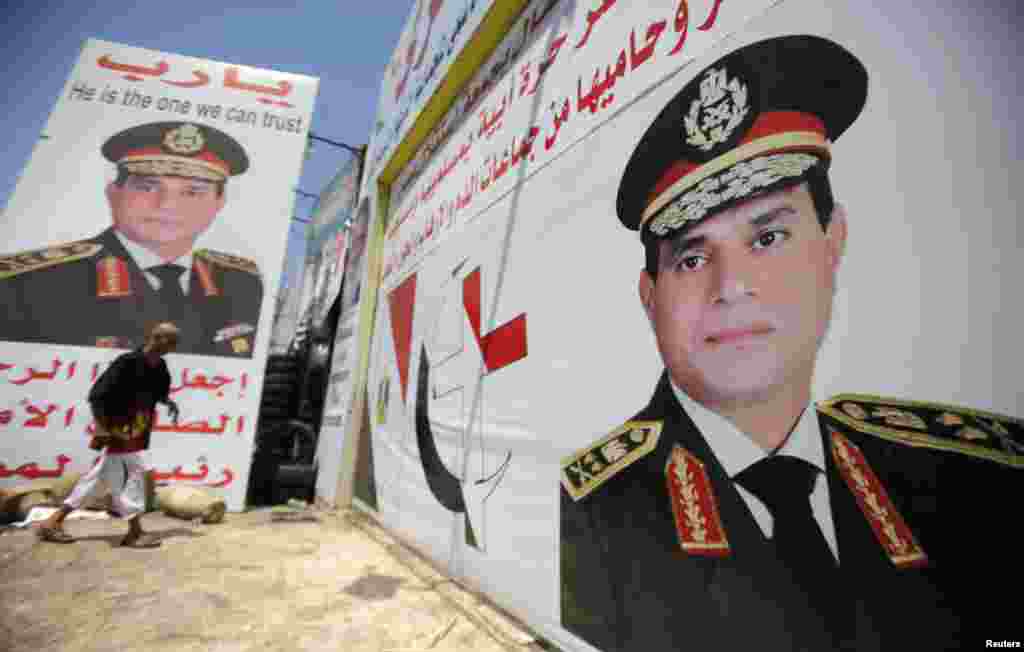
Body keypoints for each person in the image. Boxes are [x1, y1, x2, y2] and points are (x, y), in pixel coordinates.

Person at [559, 35, 1022, 651]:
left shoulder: (974, 480)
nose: (733, 288)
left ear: (834, 243)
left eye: (768, 237)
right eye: (693, 257)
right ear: (651, 297)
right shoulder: (587, 517)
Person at [0, 121, 263, 358]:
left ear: (219, 203)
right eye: (147, 187)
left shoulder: (241, 284)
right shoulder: (30, 282)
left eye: (193, 192)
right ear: (114, 193)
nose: (167, 205)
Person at [36, 322, 181, 547]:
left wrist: (168, 402)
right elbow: (97, 395)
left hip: (136, 431)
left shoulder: (160, 367)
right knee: (130, 475)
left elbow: (158, 393)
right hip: (117, 430)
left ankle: (53, 522)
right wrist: (103, 428)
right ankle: (134, 532)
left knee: (104, 477)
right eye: (171, 341)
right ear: (157, 337)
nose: (173, 347)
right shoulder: (127, 362)